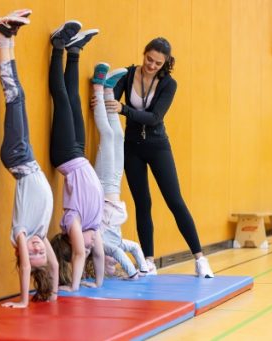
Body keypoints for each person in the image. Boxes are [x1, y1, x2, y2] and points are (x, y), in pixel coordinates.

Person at [104, 37, 215, 278]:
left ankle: (200, 258)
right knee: (142, 204)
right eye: (149, 59)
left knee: (175, 201)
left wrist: (124, 109)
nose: (151, 66)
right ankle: (150, 261)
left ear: (165, 64)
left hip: (157, 145)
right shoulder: (128, 74)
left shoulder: (168, 84)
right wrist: (103, 97)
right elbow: (110, 99)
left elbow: (154, 117)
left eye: (157, 63)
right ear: (143, 54)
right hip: (132, 147)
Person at [0, 9, 60, 308]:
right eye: (40, 250)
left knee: (15, 96)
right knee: (19, 97)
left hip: (18, 157)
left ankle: (3, 39)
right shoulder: (41, 232)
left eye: (32, 254)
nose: (35, 248)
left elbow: (30, 267)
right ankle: (6, 39)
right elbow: (53, 267)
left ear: (21, 256)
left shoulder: (19, 233)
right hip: (25, 156)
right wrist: (53, 293)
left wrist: (23, 300)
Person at [45, 20, 107, 291]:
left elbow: (81, 254)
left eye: (84, 244)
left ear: (73, 240)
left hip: (65, 156)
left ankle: (58, 46)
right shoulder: (94, 225)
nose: (90, 245)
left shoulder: (73, 221)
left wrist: (76, 285)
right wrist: (98, 281)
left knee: (61, 97)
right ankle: (74, 52)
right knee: (74, 100)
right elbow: (99, 256)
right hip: (79, 153)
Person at [89, 62, 152, 279]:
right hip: (115, 183)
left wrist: (133, 273)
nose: (114, 262)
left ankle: (98, 87)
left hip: (104, 186)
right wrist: (144, 268)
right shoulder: (118, 243)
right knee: (118, 137)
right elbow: (134, 247)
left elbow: (119, 252)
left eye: (111, 265)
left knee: (107, 136)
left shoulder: (105, 246)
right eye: (114, 265)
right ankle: (109, 92)